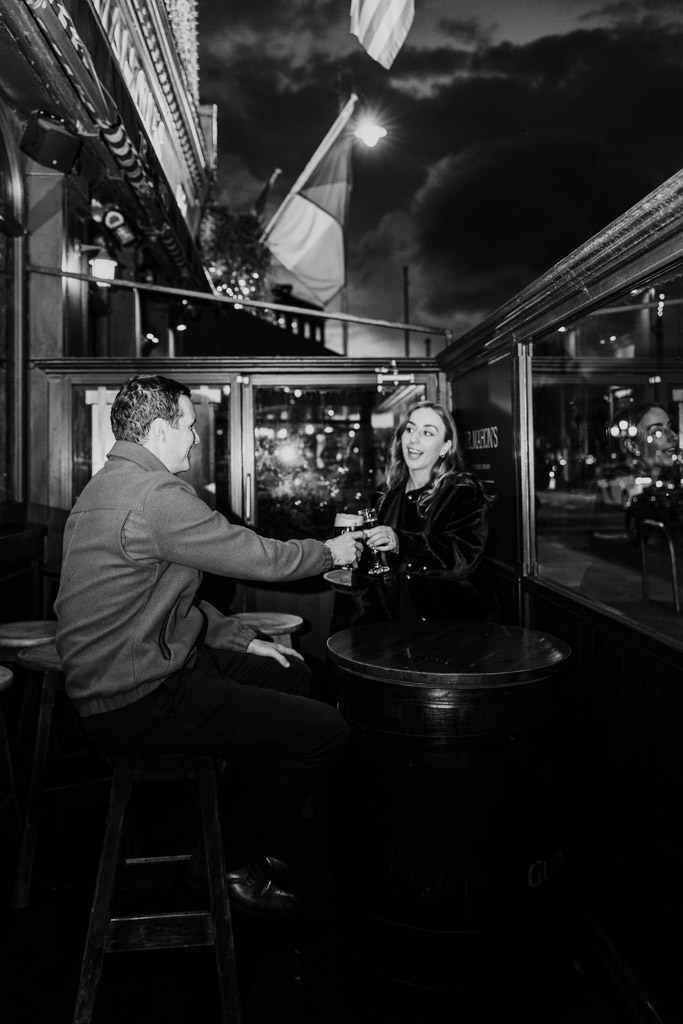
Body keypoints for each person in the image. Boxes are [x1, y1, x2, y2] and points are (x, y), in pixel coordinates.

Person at [55, 374, 363, 916]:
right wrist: (332, 552)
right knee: (328, 733)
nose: (196, 440)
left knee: (293, 673)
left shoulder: (108, 483)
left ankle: (228, 836)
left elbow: (167, 599)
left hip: (130, 677)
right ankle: (225, 857)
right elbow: (258, 557)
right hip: (136, 697)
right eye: (189, 427)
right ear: (157, 429)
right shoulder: (155, 495)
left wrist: (243, 642)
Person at [351, 400, 498, 624]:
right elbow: (367, 578)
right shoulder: (383, 497)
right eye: (410, 429)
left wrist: (401, 543)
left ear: (445, 447)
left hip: (454, 633)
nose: (414, 439)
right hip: (395, 633)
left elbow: (462, 558)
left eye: (427, 433)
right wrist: (368, 629)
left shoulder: (462, 493)